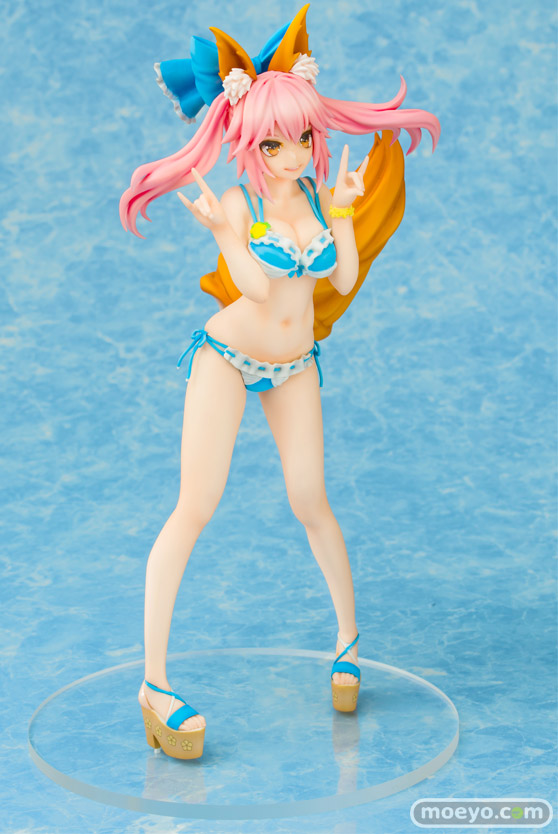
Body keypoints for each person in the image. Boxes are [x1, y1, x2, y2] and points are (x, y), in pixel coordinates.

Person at [120, 4, 440, 760]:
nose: (293, 155)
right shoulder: (241, 204)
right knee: (195, 507)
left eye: (302, 139)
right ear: (248, 141)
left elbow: (345, 277)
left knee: (311, 500)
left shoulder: (321, 200)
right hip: (228, 357)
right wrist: (226, 235)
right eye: (274, 143)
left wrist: (348, 215)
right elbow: (257, 290)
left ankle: (348, 642)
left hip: (295, 364)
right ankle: (154, 685)